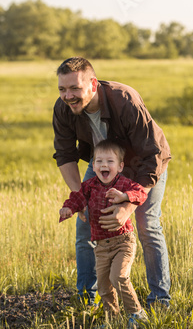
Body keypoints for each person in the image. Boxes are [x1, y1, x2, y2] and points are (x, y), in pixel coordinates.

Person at [52, 57, 172, 308]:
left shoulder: (124, 100)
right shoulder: (63, 108)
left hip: (143, 164)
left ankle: (159, 300)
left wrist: (128, 206)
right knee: (85, 226)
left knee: (146, 224)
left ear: (93, 84)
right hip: (103, 165)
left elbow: (152, 156)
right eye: (62, 89)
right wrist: (81, 199)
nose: (68, 95)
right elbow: (64, 154)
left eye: (75, 88)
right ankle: (88, 298)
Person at [59, 139, 149, 325]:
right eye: (99, 161)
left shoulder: (124, 184)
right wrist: (68, 208)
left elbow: (141, 193)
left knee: (119, 277)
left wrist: (125, 197)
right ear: (93, 165)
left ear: (120, 166)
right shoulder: (89, 185)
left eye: (110, 161)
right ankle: (112, 320)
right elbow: (77, 198)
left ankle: (137, 314)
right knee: (104, 286)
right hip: (100, 247)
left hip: (122, 242)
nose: (104, 165)